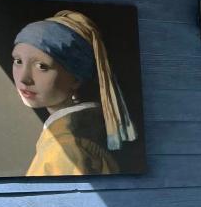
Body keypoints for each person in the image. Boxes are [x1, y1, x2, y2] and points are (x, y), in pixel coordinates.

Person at [12, 10, 137, 176]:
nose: (24, 78)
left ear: (76, 79)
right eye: (18, 61)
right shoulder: (81, 133)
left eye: (42, 66)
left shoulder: (65, 148)